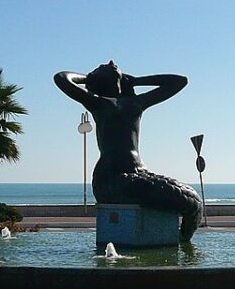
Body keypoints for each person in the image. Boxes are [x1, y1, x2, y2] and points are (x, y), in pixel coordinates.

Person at [54, 61, 203, 241]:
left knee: (194, 203)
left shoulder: (136, 102)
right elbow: (61, 78)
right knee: (191, 201)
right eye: (102, 67)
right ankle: (179, 244)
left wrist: (136, 81)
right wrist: (89, 78)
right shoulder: (98, 103)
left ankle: (180, 244)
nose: (110, 62)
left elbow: (179, 81)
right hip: (111, 179)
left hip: (138, 173)